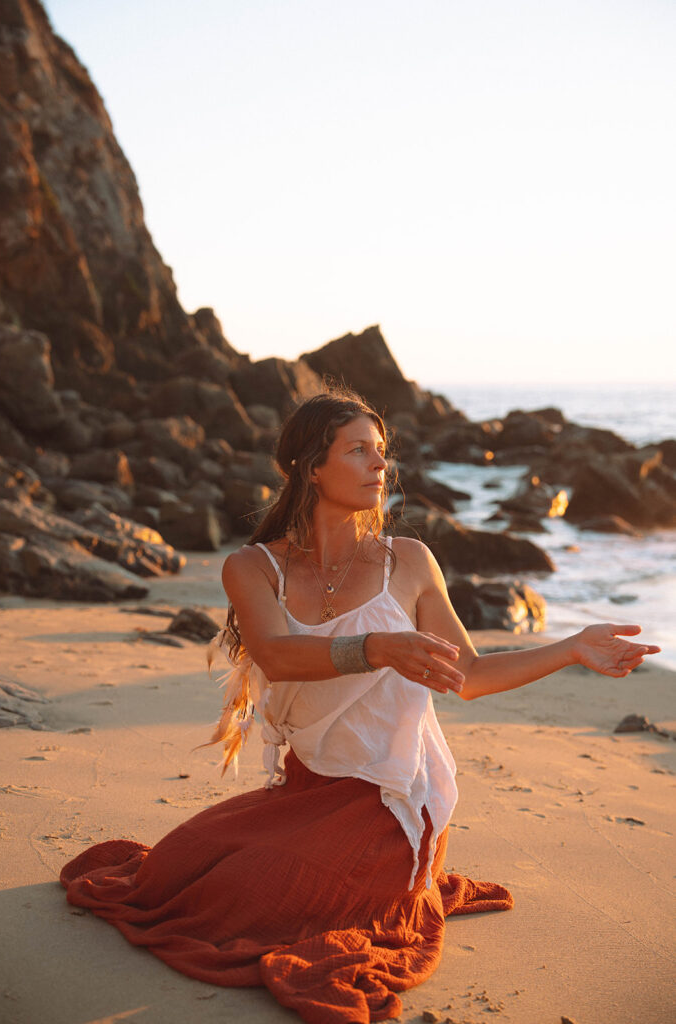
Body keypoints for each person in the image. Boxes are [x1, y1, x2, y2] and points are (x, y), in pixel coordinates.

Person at [61, 388, 660, 1024]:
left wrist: (569, 648)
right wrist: (377, 647)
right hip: (308, 785)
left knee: (266, 895)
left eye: (381, 452)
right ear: (311, 467)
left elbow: (471, 676)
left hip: (394, 799)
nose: (380, 465)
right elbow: (279, 656)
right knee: (173, 877)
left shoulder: (408, 561)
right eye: (358, 451)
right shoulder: (252, 567)